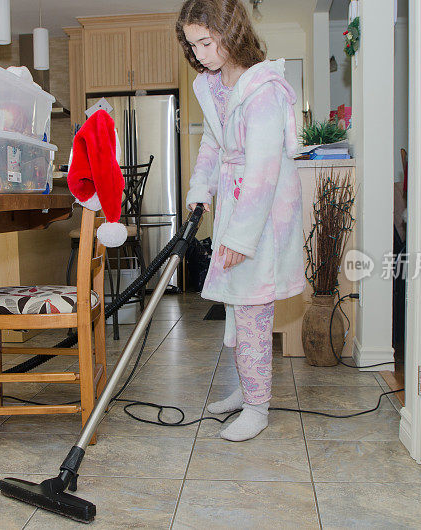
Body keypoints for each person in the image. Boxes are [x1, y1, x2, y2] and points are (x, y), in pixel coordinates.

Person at [176, 0, 306, 441]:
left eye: (206, 43)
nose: (199, 55)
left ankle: (257, 407)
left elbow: (265, 169)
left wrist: (241, 236)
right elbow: (212, 145)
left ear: (230, 34)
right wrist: (199, 191)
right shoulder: (213, 86)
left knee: (252, 307)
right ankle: (244, 391)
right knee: (236, 302)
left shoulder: (264, 89)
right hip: (234, 204)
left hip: (263, 215)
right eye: (193, 46)